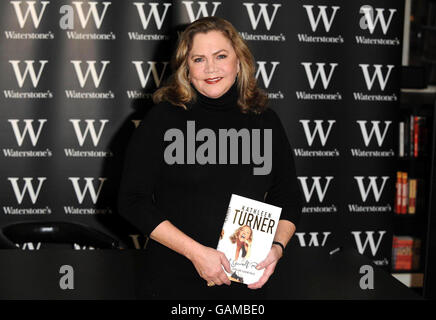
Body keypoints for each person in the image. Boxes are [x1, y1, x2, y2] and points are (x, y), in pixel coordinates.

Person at [118, 16, 302, 300]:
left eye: (221, 56)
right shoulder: (163, 119)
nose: (211, 68)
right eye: (199, 59)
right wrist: (197, 254)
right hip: (174, 280)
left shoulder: (265, 120)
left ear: (238, 61)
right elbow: (132, 200)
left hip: (247, 281)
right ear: (186, 69)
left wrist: (276, 248)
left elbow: (288, 196)